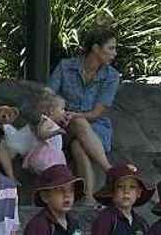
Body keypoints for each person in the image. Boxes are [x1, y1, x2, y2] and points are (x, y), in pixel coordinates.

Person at [46, 26, 121, 181]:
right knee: (78, 123)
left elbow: (96, 113)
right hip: (64, 125)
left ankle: (88, 195)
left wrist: (75, 115)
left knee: (78, 147)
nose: (115, 53)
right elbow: (48, 96)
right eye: (111, 48)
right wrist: (59, 113)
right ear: (96, 48)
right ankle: (110, 171)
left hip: (97, 127)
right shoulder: (65, 66)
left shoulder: (112, 76)